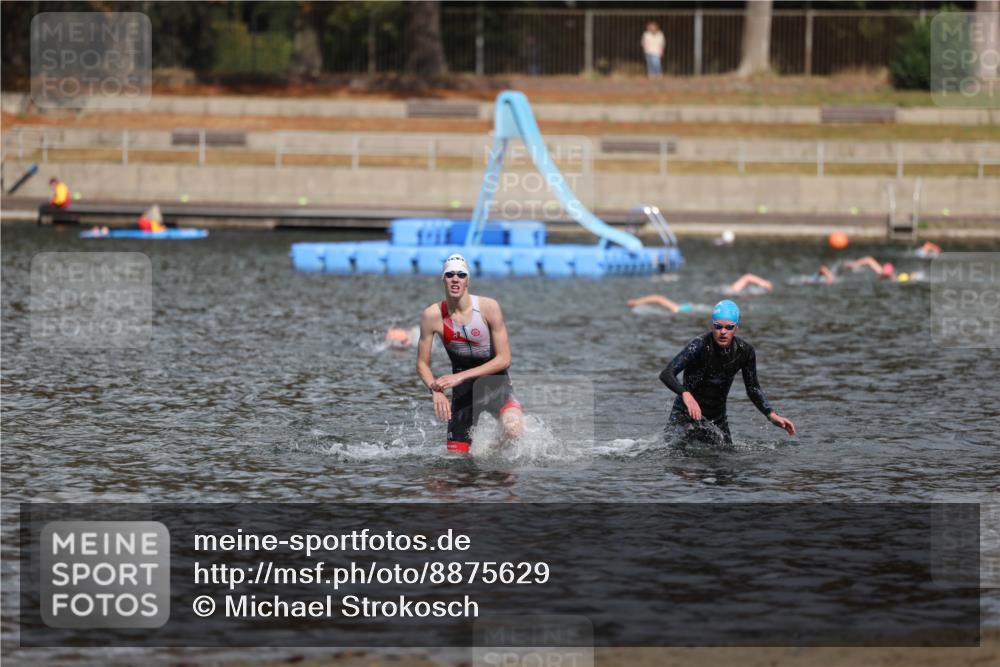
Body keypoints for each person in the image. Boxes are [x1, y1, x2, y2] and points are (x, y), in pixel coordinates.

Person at [416, 254, 524, 454]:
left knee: (513, 430)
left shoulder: (488, 308)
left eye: (461, 274)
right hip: (463, 394)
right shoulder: (432, 315)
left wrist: (459, 376)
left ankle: (492, 453)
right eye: (450, 275)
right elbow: (422, 364)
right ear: (443, 279)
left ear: (468, 280)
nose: (455, 279)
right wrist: (436, 391)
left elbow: (504, 358)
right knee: (457, 460)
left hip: (495, 384)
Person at [659, 300, 796, 446]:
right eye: (718, 326)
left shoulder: (744, 351)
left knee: (725, 464)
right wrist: (685, 394)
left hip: (716, 421)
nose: (723, 332)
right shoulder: (699, 345)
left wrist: (771, 414)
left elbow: (753, 388)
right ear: (712, 325)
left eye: (729, 327)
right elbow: (667, 373)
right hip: (684, 416)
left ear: (736, 327)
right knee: (681, 463)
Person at [627, 294, 693, 314]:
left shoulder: (640, 302)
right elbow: (657, 298)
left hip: (680, 309)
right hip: (683, 308)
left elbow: (657, 298)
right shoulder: (641, 301)